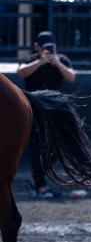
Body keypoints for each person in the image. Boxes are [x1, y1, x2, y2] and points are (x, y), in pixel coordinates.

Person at [17, 31, 76, 198]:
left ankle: (36, 181)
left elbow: (71, 77)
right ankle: (41, 188)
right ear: (37, 47)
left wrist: (57, 63)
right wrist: (40, 61)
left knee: (58, 147)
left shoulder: (61, 60)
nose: (48, 52)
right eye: (44, 49)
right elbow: (21, 73)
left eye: (50, 49)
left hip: (54, 111)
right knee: (37, 149)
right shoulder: (31, 59)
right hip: (35, 110)